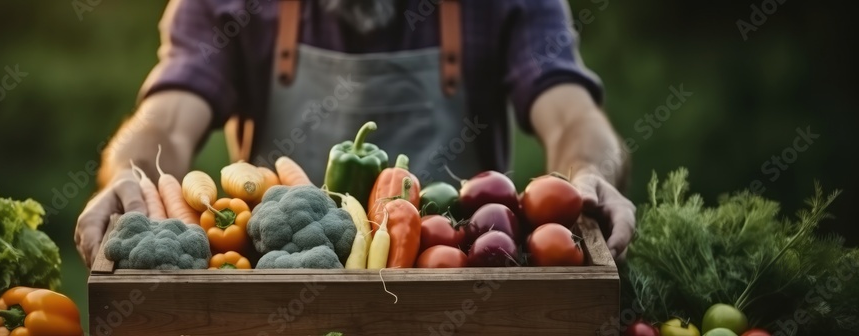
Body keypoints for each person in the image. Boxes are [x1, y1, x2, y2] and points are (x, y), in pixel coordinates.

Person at [75, 0, 636, 267]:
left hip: (467, 296)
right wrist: (131, 177)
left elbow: (572, 116)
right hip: (276, 304)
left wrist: (587, 171)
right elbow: (166, 120)